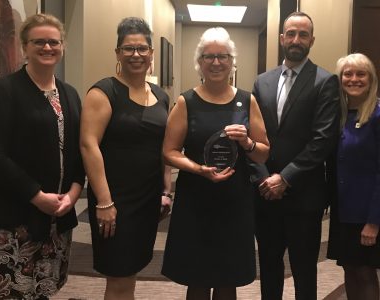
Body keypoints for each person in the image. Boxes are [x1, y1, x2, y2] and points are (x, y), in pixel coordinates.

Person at [0, 13, 85, 299]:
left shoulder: (70, 94)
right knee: (10, 291)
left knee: (44, 287)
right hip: (14, 218)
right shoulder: (3, 91)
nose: (47, 48)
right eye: (39, 42)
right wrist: (37, 196)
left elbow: (79, 151)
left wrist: (74, 193)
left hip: (57, 215)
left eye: (54, 42)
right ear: (25, 46)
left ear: (62, 46)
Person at [161, 27, 270, 300]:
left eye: (223, 56)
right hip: (195, 201)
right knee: (197, 278)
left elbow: (263, 153)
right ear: (199, 63)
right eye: (208, 57)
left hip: (235, 202)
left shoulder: (248, 100)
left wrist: (247, 143)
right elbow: (169, 152)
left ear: (233, 62)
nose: (216, 62)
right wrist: (199, 169)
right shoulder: (186, 101)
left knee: (227, 278)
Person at [80, 17, 171, 300]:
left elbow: (164, 147)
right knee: (118, 276)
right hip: (115, 200)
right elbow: (88, 145)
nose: (136, 55)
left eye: (142, 49)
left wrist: (166, 190)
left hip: (147, 198)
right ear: (118, 52)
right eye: (128, 49)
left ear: (151, 54)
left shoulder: (160, 95)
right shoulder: (103, 92)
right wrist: (104, 201)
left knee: (132, 270)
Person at [252, 12, 340, 300]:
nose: (296, 40)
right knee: (268, 267)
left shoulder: (325, 82)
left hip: (304, 195)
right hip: (265, 194)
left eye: (303, 34)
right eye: (291, 33)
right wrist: (266, 179)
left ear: (312, 40)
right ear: (281, 38)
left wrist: (285, 178)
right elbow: (255, 137)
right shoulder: (261, 82)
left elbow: (322, 140)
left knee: (304, 271)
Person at [327, 53, 380, 300]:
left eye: (361, 74)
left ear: (371, 80)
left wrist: (374, 221)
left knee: (366, 273)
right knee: (349, 269)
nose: (354, 79)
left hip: (368, 213)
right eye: (347, 74)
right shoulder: (340, 115)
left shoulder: (378, 115)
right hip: (343, 211)